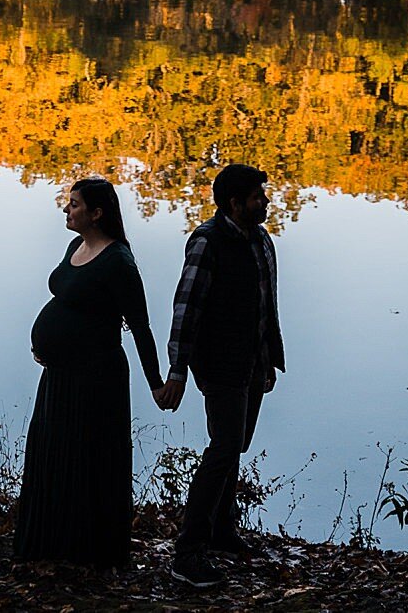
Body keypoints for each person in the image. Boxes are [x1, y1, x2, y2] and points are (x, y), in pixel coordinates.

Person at [13, 176, 165, 567]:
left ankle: (90, 550)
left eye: (75, 204)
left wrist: (157, 384)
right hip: (60, 376)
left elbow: (141, 326)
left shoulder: (119, 262)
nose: (67, 209)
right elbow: (70, 302)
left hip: (96, 378)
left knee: (87, 459)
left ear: (97, 213)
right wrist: (47, 343)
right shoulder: (74, 246)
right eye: (69, 203)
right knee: (53, 455)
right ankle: (52, 542)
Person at [157, 163, 285, 588]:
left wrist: (268, 360)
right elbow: (186, 308)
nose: (265, 201)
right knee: (224, 447)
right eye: (256, 196)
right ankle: (187, 554)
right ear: (234, 203)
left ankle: (221, 530)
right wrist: (176, 369)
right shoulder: (207, 242)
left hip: (252, 362)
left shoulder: (261, 241)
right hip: (221, 363)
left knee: (236, 446)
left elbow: (266, 307)